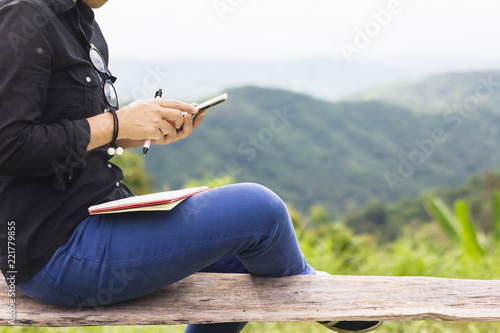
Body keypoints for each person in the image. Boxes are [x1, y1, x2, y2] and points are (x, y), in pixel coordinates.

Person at [0, 0, 381, 332]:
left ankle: (302, 276)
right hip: (57, 251)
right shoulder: (25, 15)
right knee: (260, 209)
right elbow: (9, 145)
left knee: (240, 256)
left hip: (100, 216)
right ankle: (310, 287)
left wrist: (139, 132)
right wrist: (119, 122)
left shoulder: (83, 24)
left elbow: (75, 133)